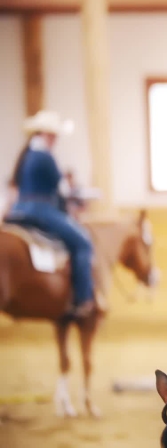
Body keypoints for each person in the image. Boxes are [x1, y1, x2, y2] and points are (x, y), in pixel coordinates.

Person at [7, 110, 95, 319]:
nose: (56, 140)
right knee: (83, 243)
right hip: (42, 212)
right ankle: (83, 299)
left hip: (19, 211)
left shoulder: (26, 156)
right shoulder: (45, 156)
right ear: (47, 134)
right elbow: (63, 190)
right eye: (55, 135)